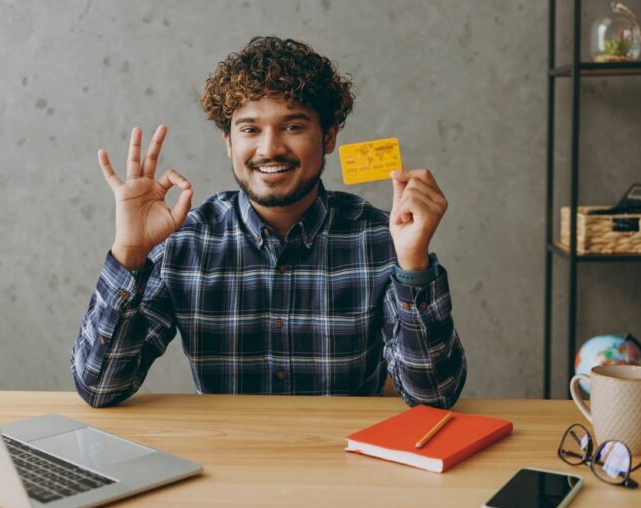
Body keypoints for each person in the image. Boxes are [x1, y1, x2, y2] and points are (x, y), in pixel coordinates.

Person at [72, 36, 466, 408]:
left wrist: (413, 261)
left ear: (329, 137)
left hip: (347, 466)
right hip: (227, 463)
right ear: (229, 142)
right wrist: (130, 252)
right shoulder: (186, 241)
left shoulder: (382, 237)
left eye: (293, 127)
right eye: (249, 129)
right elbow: (101, 387)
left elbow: (434, 397)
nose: (269, 148)